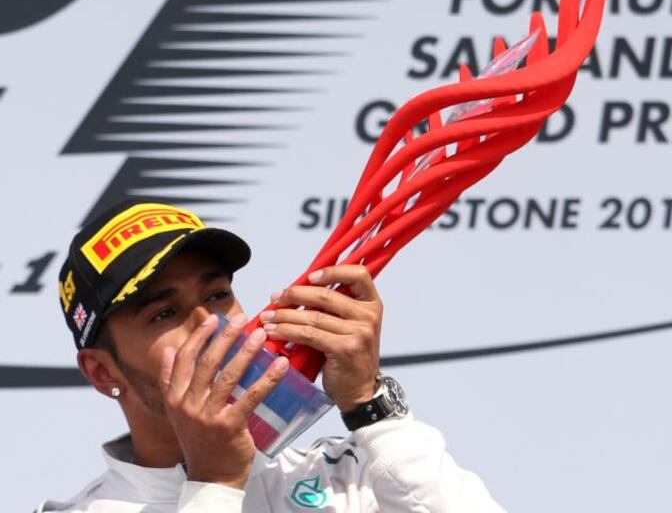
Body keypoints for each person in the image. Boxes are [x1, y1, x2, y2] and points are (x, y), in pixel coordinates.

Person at [39, 200, 504, 512]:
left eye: (218, 294)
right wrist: (216, 483)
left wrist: (371, 409)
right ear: (103, 372)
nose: (209, 324)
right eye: (164, 314)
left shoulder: (350, 473)